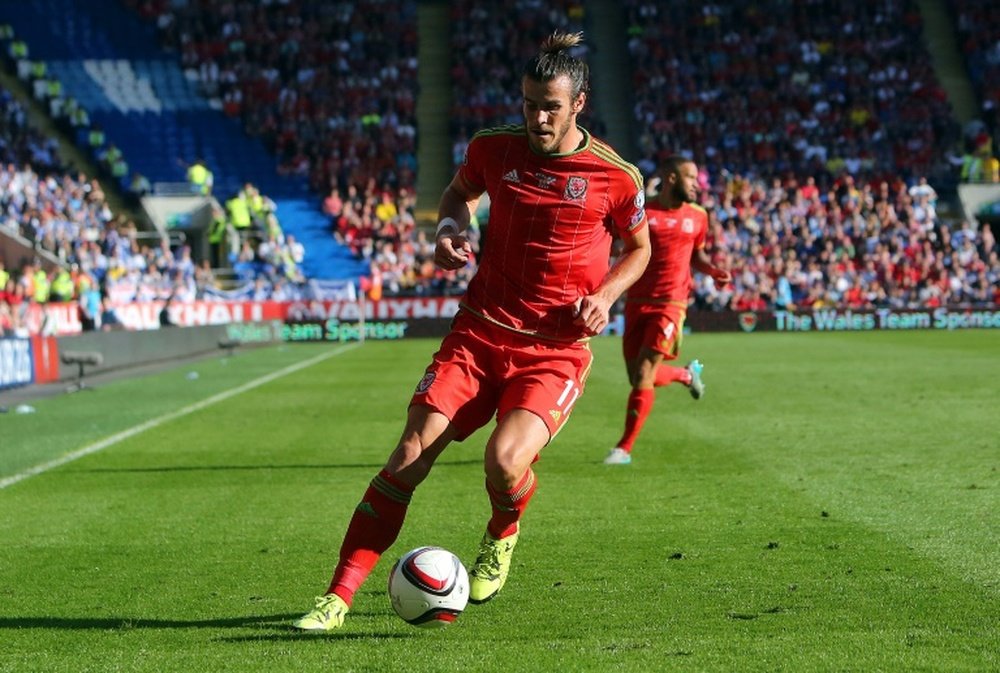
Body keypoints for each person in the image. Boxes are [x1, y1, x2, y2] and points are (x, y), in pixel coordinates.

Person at [293, 31, 651, 631]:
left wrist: (606, 295)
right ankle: (338, 597)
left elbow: (638, 249)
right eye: (530, 103)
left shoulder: (616, 175)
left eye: (551, 107)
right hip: (479, 334)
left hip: (554, 349)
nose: (538, 117)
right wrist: (448, 230)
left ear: (578, 104)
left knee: (505, 462)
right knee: (408, 455)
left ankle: (502, 530)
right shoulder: (492, 148)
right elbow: (460, 194)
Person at [604, 156, 731, 466]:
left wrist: (711, 271)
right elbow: (618, 245)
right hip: (636, 301)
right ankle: (687, 374)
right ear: (671, 178)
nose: (697, 186)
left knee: (644, 373)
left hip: (672, 303)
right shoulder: (643, 211)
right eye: (690, 178)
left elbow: (696, 257)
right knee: (637, 376)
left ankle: (624, 448)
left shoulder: (699, 216)